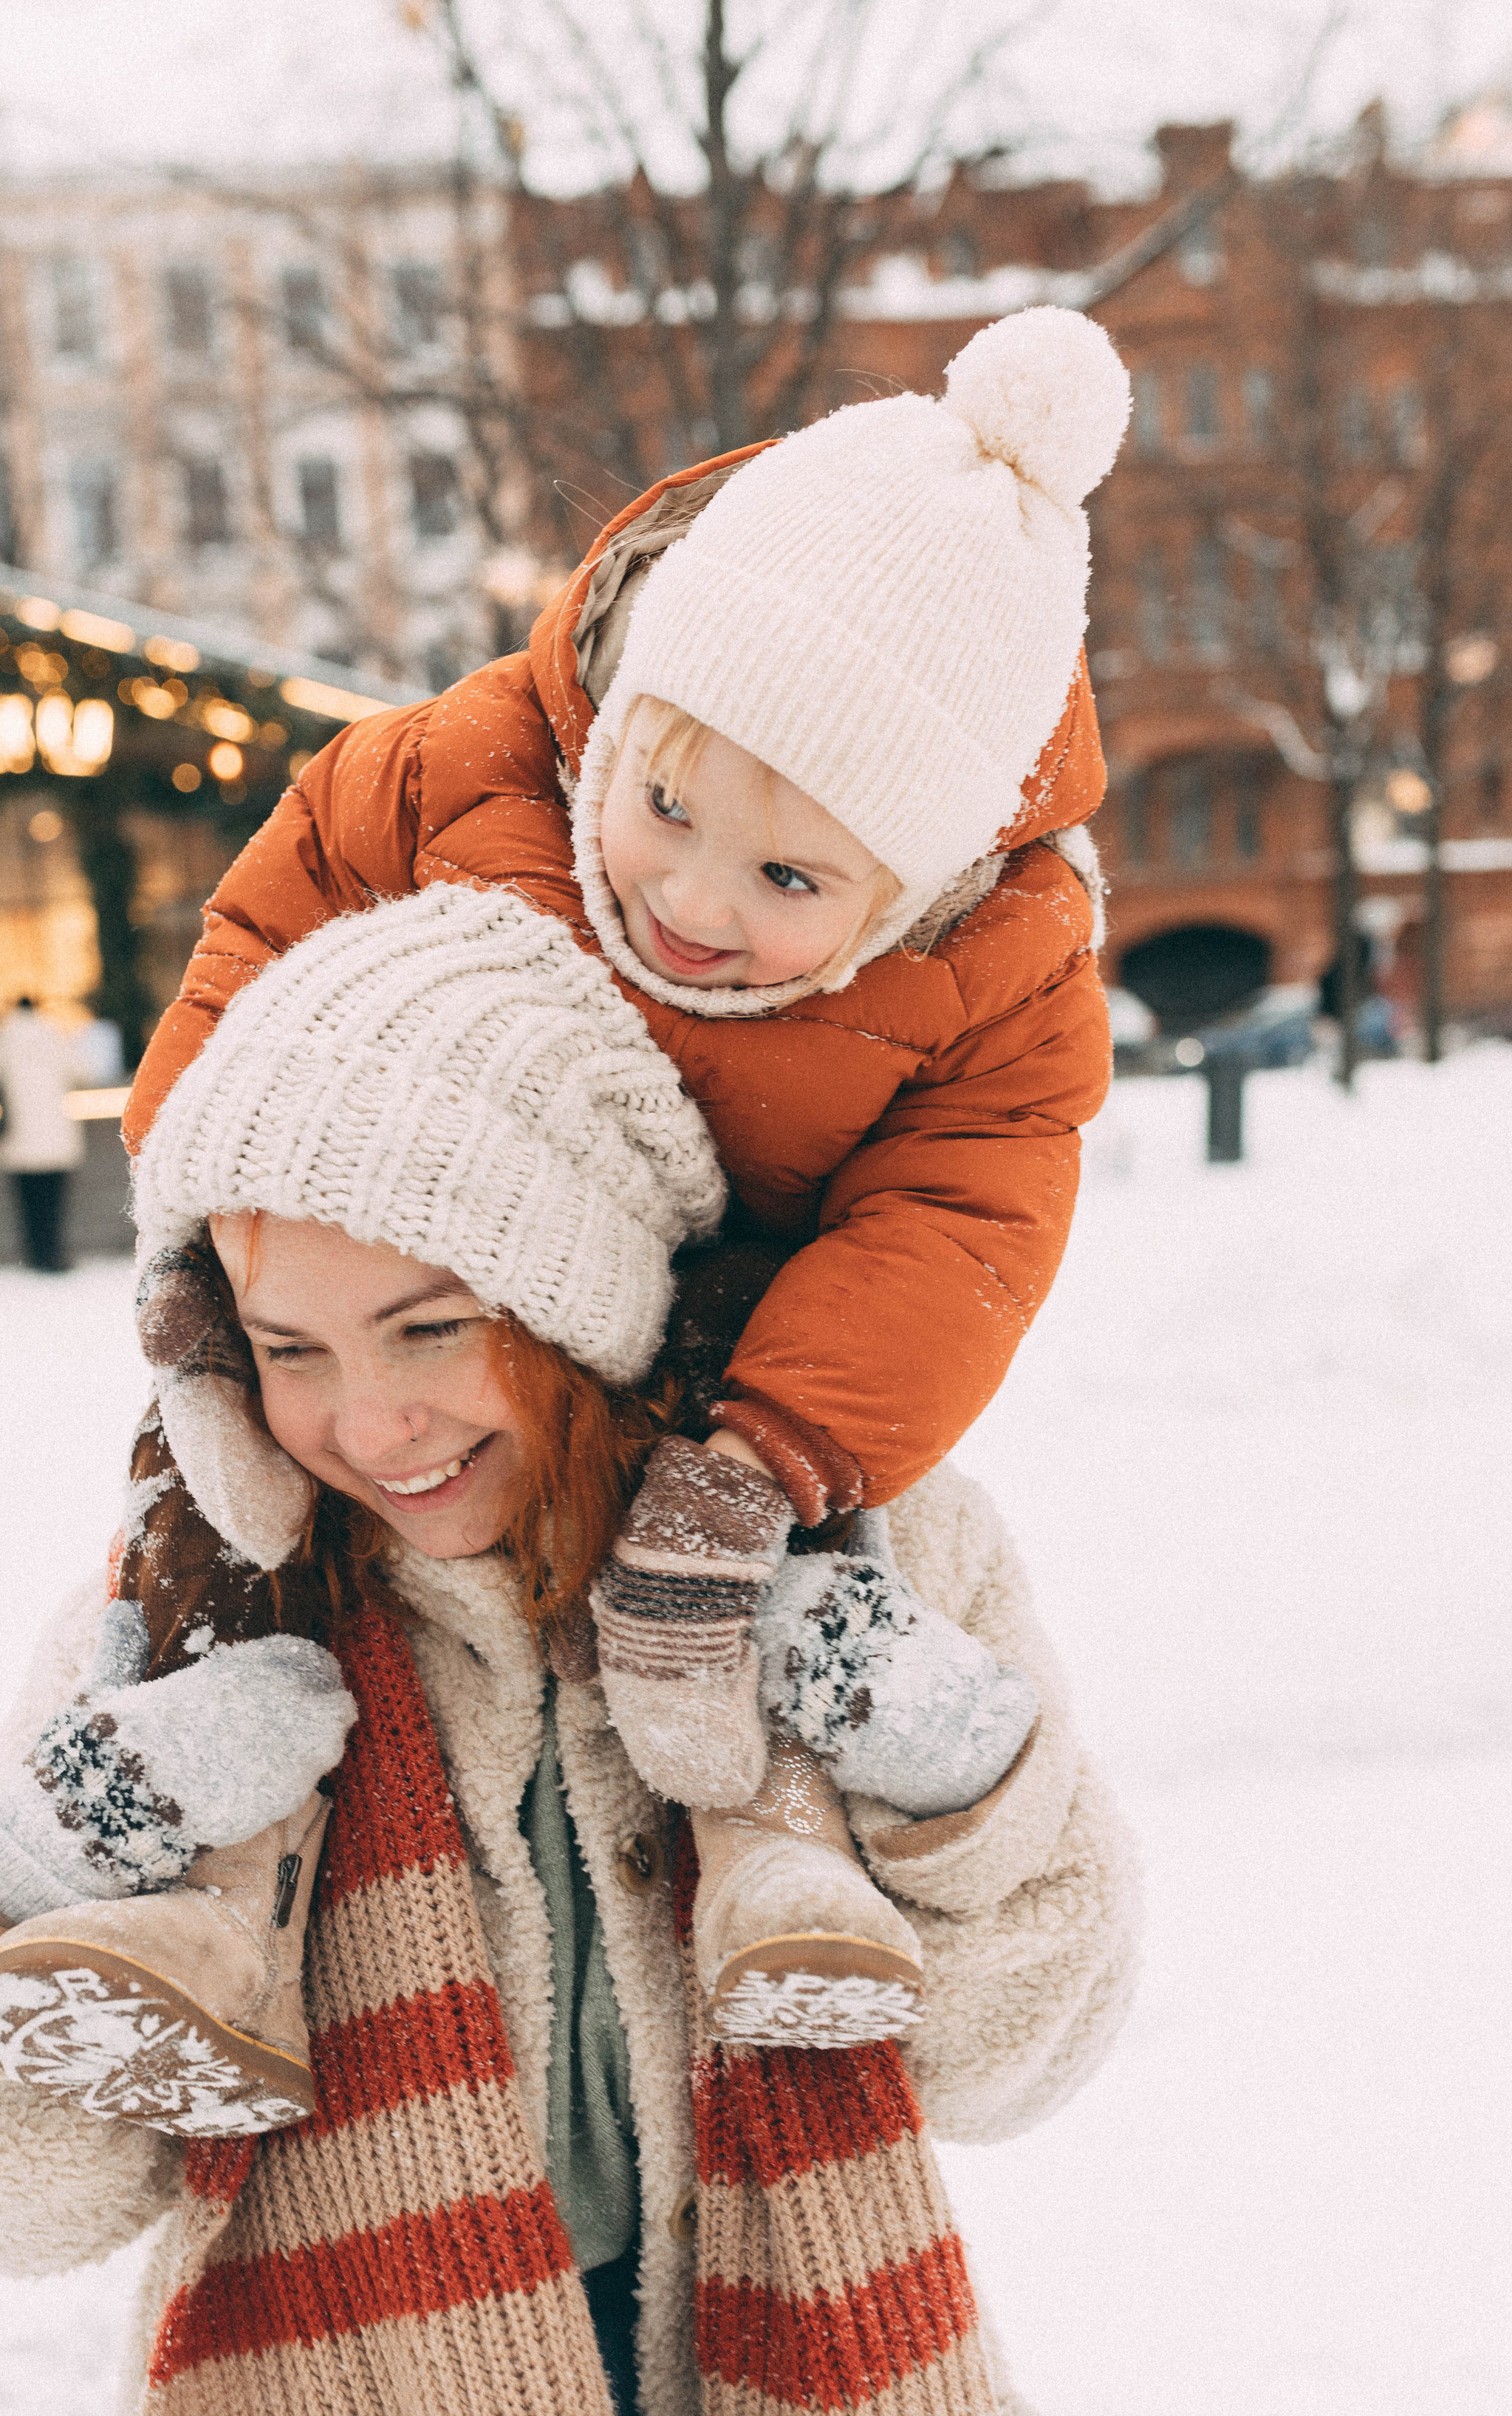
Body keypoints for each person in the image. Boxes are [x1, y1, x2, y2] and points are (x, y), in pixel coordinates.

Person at [0, 911, 1173, 2416]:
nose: (367, 1425)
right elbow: (16, 2194)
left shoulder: (854, 1551)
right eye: (289, 1349)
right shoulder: (188, 1629)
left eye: (428, 1329)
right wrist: (16, 1865)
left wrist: (962, 1772)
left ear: (571, 1298)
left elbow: (1010, 2059)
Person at [117, 304, 1131, 2036]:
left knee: (755, 1580)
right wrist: (210, 1270)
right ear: (626, 697)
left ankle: (774, 1854)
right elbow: (255, 941)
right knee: (216, 1539)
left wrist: (769, 1452)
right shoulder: (462, 764)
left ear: (914, 882)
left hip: (735, 1343)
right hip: (404, 1271)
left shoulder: (997, 962)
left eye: (793, 881)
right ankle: (193, 1900)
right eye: (664, 801)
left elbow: (960, 1221)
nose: (690, 899)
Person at [0, 993, 89, 1272]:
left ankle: (36, 1256)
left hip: (18, 1139)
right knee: (54, 1203)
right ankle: (56, 1254)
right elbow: (83, 1071)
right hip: (57, 1134)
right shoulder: (55, 1033)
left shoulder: (0, 1038)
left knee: (29, 1205)